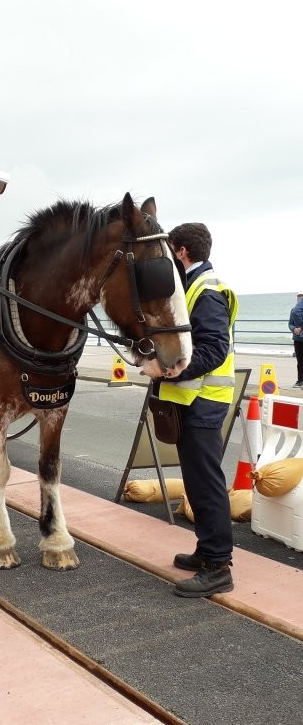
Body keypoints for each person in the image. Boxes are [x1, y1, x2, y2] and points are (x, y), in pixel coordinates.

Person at [142, 223, 238, 598]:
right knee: (198, 481)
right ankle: (206, 551)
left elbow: (214, 349)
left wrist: (166, 369)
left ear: (181, 252)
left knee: (207, 483)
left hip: (204, 402)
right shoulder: (195, 287)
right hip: (193, 402)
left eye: (169, 254)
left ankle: (218, 567)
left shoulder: (206, 292)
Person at [289, 291, 303, 388]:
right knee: (300, 360)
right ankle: (300, 381)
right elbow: (290, 323)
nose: (299, 298)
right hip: (297, 339)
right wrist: (294, 329)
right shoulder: (293, 310)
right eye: (298, 296)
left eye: (301, 296)